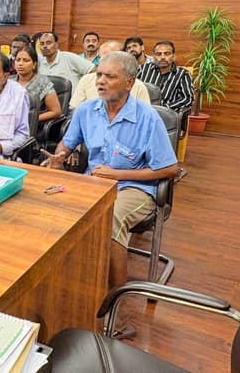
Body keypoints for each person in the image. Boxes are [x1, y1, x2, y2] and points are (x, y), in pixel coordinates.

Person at [41, 52, 178, 300]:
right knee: (50, 204)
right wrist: (59, 156)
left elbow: (170, 169)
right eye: (99, 75)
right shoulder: (86, 110)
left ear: (129, 82)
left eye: (110, 77)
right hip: (93, 183)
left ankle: (116, 297)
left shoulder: (148, 117)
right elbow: (66, 144)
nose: (101, 81)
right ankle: (63, 279)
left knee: (111, 216)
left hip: (136, 188)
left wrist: (116, 174)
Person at [70, 40, 151, 109]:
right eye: (101, 58)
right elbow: (74, 110)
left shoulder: (137, 86)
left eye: (109, 58)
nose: (104, 62)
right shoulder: (87, 79)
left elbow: (145, 117)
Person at [139, 40, 194, 115]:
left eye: (167, 54)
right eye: (158, 54)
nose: (162, 57)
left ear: (174, 56)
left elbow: (187, 99)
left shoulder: (182, 74)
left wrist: (164, 109)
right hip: (142, 112)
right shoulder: (144, 69)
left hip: (166, 115)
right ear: (154, 57)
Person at [13, 46, 62, 124]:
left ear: (34, 64)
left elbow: (56, 111)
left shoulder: (43, 82)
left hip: (31, 126)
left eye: (26, 60)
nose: (21, 64)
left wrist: (31, 119)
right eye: (18, 60)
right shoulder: (9, 82)